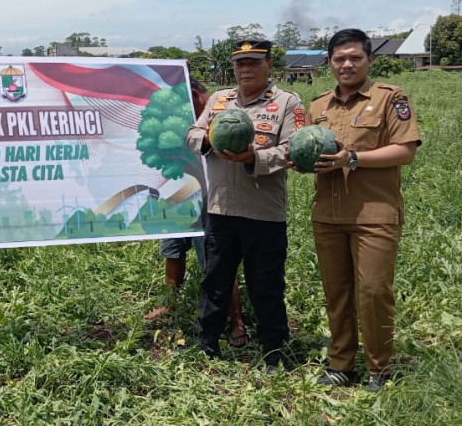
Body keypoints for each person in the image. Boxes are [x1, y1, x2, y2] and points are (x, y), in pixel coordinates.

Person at [309, 29, 421, 392]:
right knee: (336, 292)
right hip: (328, 213)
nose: (346, 64)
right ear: (329, 63)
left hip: (374, 213)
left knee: (372, 291)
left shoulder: (390, 98)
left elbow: (405, 150)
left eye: (355, 57)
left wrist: (352, 158)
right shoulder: (318, 106)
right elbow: (310, 154)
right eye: (339, 58)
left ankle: (380, 367)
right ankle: (341, 364)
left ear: (369, 60)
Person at [185, 39, 305, 371]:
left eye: (253, 62)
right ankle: (207, 342)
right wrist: (211, 137)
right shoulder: (220, 101)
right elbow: (192, 134)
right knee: (215, 280)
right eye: (240, 64)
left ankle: (273, 350)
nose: (246, 69)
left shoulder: (287, 103)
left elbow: (293, 152)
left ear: (269, 65)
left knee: (265, 283)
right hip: (221, 209)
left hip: (263, 212)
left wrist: (255, 156)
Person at [146, 78, 247, 348]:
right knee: (172, 248)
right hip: (177, 190)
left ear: (193, 94)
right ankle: (169, 304)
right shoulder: (176, 115)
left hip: (210, 197)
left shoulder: (222, 111)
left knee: (217, 261)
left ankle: (236, 319)